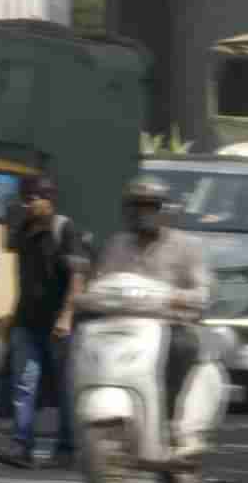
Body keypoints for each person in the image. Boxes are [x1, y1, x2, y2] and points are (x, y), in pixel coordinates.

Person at [88, 176, 218, 459]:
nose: (143, 213)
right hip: (121, 324)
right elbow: (100, 280)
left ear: (163, 209)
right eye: (137, 206)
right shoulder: (116, 244)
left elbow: (203, 290)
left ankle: (172, 418)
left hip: (168, 324)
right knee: (83, 339)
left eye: (151, 206)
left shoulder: (186, 247)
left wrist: (181, 297)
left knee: (183, 347)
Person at [0, 176, 83, 470]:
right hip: (26, 323)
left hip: (57, 326)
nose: (27, 204)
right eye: (24, 199)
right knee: (25, 385)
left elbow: (77, 277)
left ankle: (66, 448)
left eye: (33, 199)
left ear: (48, 199)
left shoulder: (64, 229)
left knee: (65, 388)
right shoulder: (23, 230)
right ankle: (22, 446)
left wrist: (67, 315)